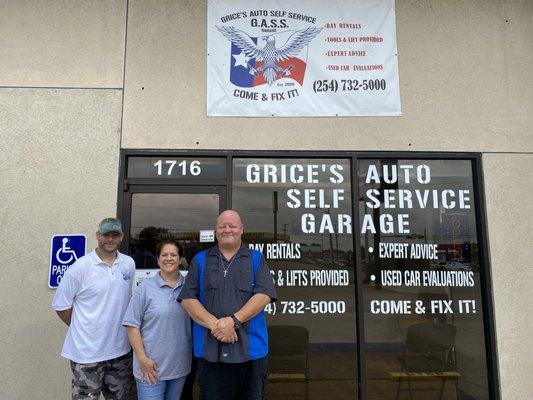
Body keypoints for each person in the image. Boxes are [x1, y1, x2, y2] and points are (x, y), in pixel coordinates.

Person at [178, 210, 277, 400]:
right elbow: (188, 298)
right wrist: (217, 325)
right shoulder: (200, 260)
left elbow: (264, 295)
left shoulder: (256, 258)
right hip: (210, 350)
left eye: (232, 226)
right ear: (216, 231)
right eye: (222, 226)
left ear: (241, 230)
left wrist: (233, 321)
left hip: (251, 350)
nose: (227, 230)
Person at [52, 218, 135, 400]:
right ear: (98, 235)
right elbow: (61, 306)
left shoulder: (128, 264)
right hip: (87, 354)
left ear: (121, 237)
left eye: (115, 235)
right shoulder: (80, 267)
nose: (110, 239)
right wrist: (83, 327)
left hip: (120, 351)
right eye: (106, 235)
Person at [122, 240, 192, 400]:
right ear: (158, 259)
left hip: (179, 366)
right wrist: (142, 359)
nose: (169, 258)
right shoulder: (145, 288)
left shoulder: (189, 287)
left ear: (180, 258)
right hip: (150, 367)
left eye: (173, 254)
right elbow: (132, 326)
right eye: (164, 255)